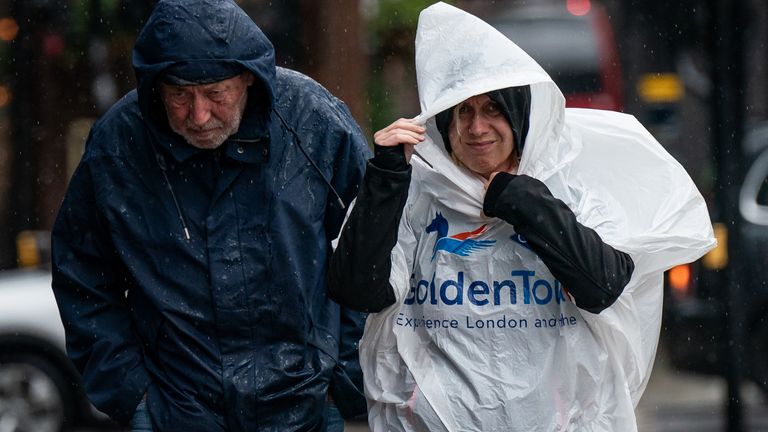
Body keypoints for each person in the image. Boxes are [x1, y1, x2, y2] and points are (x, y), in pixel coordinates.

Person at [328, 3, 715, 431]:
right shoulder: (413, 190)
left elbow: (603, 284)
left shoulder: (568, 185)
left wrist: (523, 202)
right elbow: (357, 288)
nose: (476, 127)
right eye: (464, 111)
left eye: (493, 110)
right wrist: (384, 180)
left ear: (519, 117)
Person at [50, 0, 370, 431]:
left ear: (247, 80)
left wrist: (344, 371)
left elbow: (378, 246)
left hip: (306, 405)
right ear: (156, 87)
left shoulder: (312, 120)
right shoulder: (120, 143)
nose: (199, 116)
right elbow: (82, 274)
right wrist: (133, 393)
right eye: (179, 95)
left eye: (216, 95)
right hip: (174, 410)